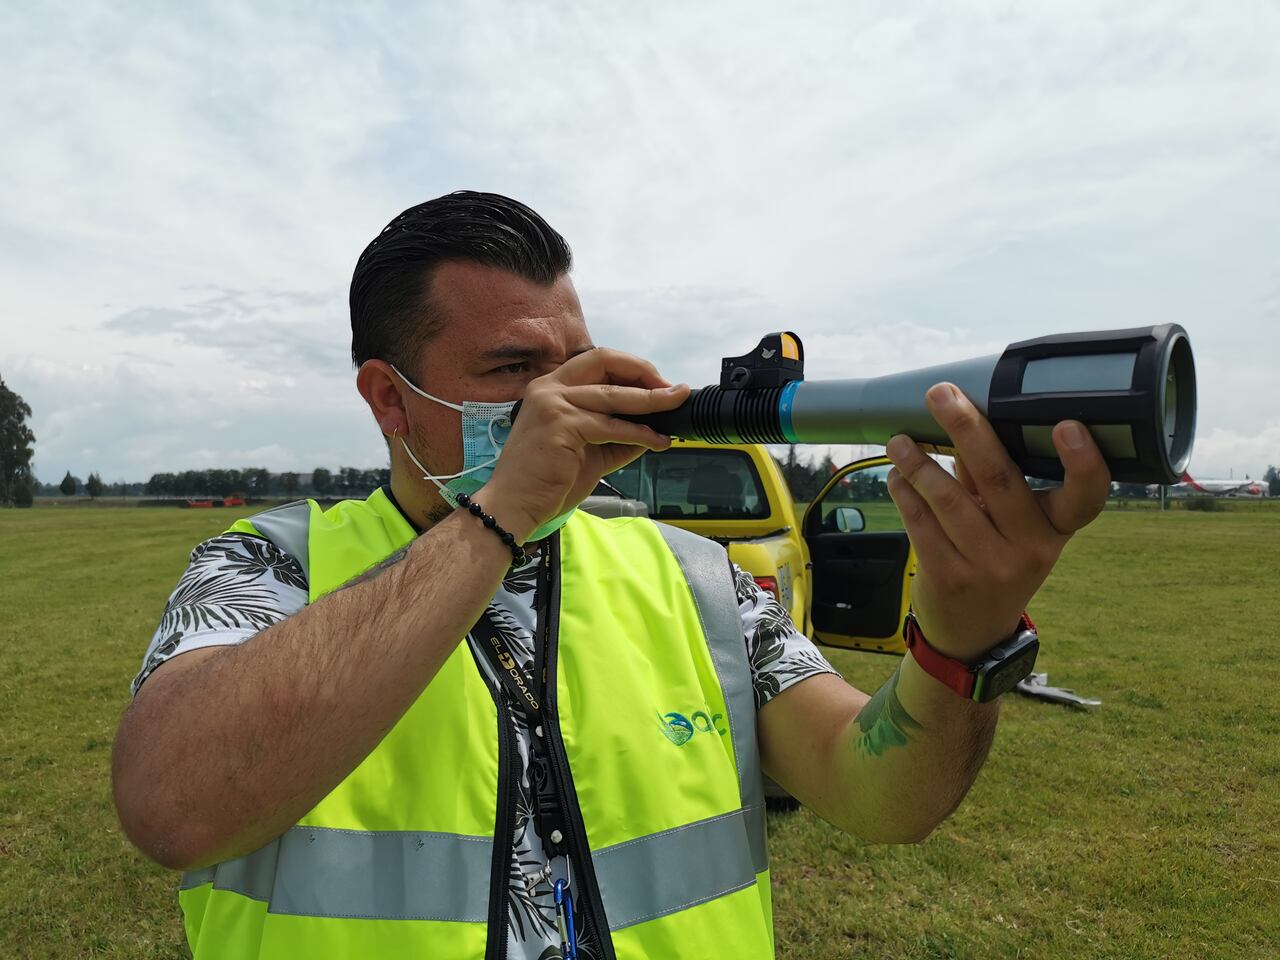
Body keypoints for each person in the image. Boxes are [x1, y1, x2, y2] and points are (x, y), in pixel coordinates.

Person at [112, 191, 1110, 960]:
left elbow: (882, 795)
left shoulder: (693, 579)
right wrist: (499, 513)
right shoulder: (268, 564)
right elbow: (172, 804)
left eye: (574, 360)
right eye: (510, 371)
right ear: (389, 399)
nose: (556, 397)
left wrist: (959, 641)